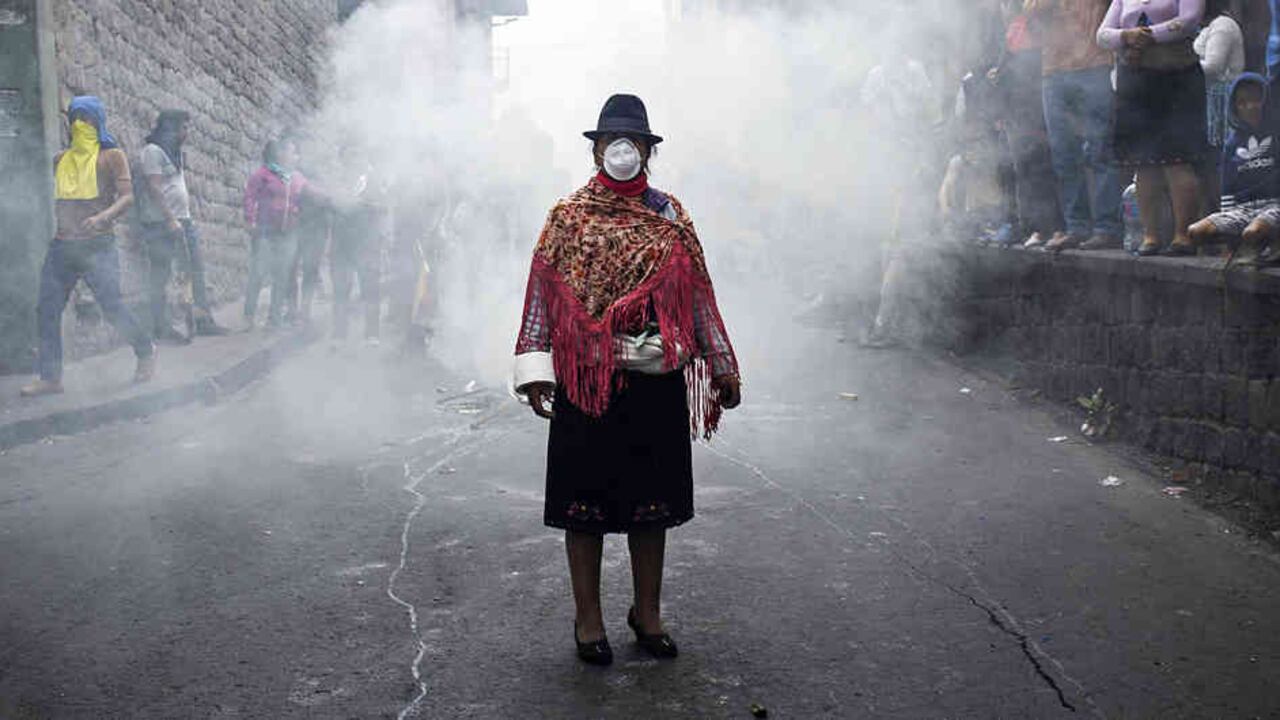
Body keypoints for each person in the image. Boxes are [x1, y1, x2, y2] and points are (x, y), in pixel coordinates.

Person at [512, 94, 741, 666]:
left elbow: (698, 298)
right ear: (596, 150)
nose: (622, 151)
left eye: (633, 143)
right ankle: (588, 622)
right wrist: (536, 369)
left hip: (654, 379)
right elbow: (542, 295)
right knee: (581, 507)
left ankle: (648, 613)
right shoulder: (567, 217)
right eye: (613, 141)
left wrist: (721, 365)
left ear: (647, 151)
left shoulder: (670, 217)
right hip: (585, 381)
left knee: (651, 507)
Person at [21, 96, 155, 397]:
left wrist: (103, 217)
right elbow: (58, 200)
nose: (80, 124)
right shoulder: (60, 160)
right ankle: (50, 377)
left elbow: (127, 196)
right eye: (75, 118)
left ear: (98, 120)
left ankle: (145, 350)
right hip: (63, 245)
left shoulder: (112, 156)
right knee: (47, 309)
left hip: (98, 244)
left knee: (111, 306)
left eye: (87, 118)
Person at [1099, 0, 1208, 256]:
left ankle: (1184, 235)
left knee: (1177, 159)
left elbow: (1189, 20)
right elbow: (1103, 35)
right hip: (1135, 81)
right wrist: (1127, 35)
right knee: (1143, 161)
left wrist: (1148, 36)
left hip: (1176, 77)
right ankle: (1151, 235)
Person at [1024, 0, 1124, 252]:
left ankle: (1106, 228)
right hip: (1053, 71)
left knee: (1100, 149)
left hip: (1095, 65)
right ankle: (1076, 227)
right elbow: (1030, 12)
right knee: (1064, 153)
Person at [137, 109, 229, 343]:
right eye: (184, 127)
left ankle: (201, 319)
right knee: (162, 274)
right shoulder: (152, 151)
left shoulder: (174, 152)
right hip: (161, 224)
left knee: (194, 270)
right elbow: (154, 189)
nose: (187, 132)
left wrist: (183, 218)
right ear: (172, 127)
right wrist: (170, 219)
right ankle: (161, 327)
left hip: (182, 221)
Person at [992, 1, 1065, 247]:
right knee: (1023, 171)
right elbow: (1006, 71)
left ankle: (1056, 226)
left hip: (1038, 106)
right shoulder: (1012, 29)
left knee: (1043, 168)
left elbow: (1036, 68)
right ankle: (1033, 227)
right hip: (1016, 112)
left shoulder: (1038, 24)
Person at [1189, 74, 1280, 264]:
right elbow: (1228, 185)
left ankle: (1269, 243)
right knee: (1196, 232)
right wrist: (1228, 227)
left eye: (1257, 100)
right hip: (1243, 209)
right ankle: (1244, 245)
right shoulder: (1233, 142)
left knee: (1253, 232)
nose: (1251, 106)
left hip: (1274, 206)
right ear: (1234, 107)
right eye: (1243, 102)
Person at [242, 138, 311, 330]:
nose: (294, 155)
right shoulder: (264, 174)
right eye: (290, 151)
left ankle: (274, 318)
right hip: (265, 230)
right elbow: (250, 196)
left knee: (282, 275)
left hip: (288, 232)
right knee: (259, 272)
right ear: (280, 154)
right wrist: (249, 219)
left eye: (296, 152)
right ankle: (249, 316)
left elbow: (309, 196)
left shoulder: (297, 178)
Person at [330, 146, 386, 342]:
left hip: (367, 241)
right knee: (340, 289)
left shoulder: (374, 181)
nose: (353, 160)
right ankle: (339, 334)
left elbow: (384, 207)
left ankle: (372, 333)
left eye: (356, 155)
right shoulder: (337, 181)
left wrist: (366, 205)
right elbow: (330, 204)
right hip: (341, 242)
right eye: (349, 156)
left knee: (370, 289)